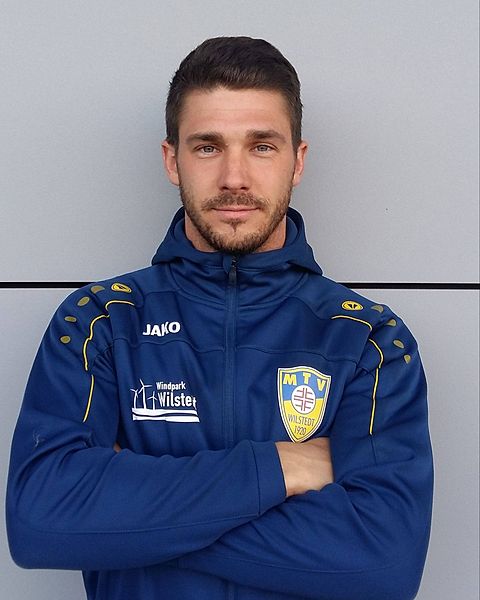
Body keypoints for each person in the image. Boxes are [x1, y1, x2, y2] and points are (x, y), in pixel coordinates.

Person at [6, 37, 433, 600]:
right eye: (208, 147)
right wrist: (279, 468)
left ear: (298, 161)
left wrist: (126, 520)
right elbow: (41, 521)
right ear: (172, 159)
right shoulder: (100, 325)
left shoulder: (367, 340)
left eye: (262, 146)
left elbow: (384, 565)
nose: (235, 177)